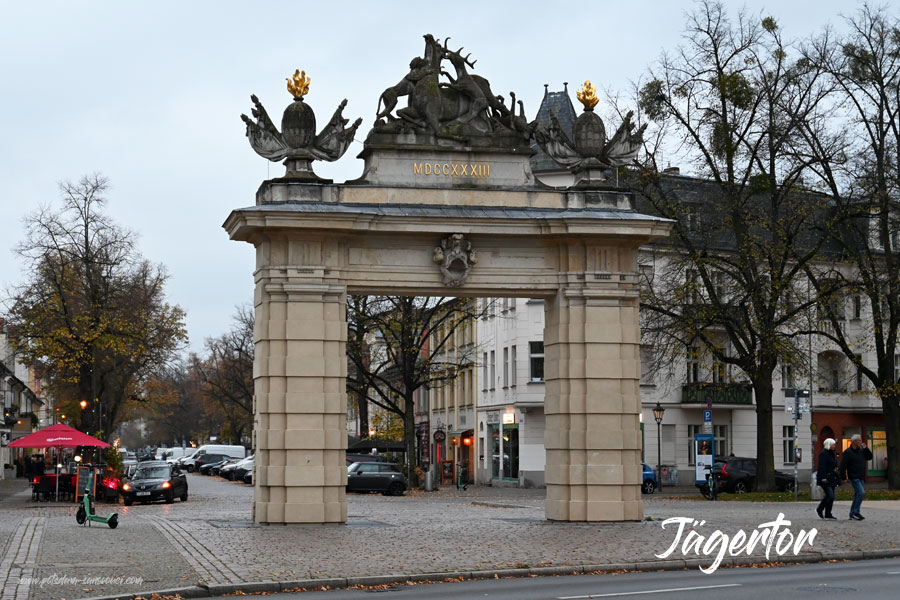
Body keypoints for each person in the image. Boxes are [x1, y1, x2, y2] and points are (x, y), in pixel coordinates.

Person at [840, 434, 873, 520]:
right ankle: (855, 512)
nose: (861, 442)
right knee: (861, 493)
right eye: (859, 440)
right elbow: (843, 465)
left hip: (861, 476)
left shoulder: (862, 451)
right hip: (854, 476)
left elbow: (870, 457)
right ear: (854, 442)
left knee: (858, 494)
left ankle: (854, 513)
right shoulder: (848, 452)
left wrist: (866, 449)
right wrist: (843, 477)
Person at [815, 438, 839, 520]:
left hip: (832, 477)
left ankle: (828, 513)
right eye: (833, 444)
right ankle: (820, 509)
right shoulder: (824, 454)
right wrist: (824, 477)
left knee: (832, 496)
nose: (835, 446)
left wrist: (835, 469)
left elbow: (833, 464)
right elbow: (822, 466)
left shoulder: (832, 453)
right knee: (830, 494)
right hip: (826, 478)